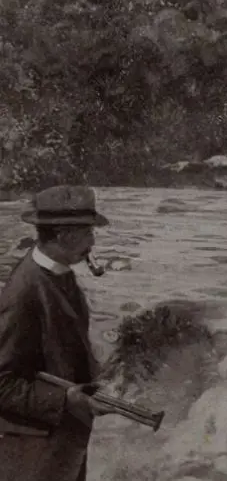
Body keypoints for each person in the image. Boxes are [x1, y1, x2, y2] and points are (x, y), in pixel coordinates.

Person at [0, 185, 113, 481]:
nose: (92, 241)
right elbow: (2, 384)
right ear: (65, 235)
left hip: (63, 445)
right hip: (33, 454)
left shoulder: (63, 274)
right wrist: (66, 400)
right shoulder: (23, 292)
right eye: (88, 232)